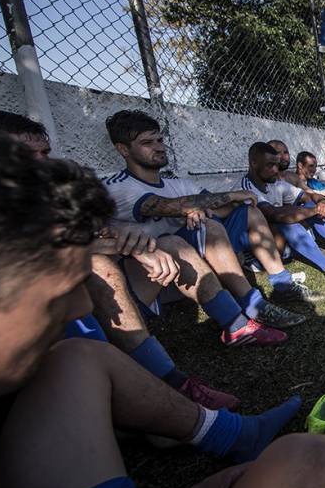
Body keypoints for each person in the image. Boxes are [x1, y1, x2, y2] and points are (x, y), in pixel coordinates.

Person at [0, 129, 325, 488]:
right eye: (58, 293)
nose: (80, 306)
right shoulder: (125, 192)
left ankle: (233, 428)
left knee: (77, 356)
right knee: (312, 460)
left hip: (174, 257)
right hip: (165, 270)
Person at [0, 109, 239, 408]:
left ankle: (238, 323)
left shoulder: (42, 199)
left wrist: (122, 240)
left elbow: (88, 235)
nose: (43, 163)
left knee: (170, 242)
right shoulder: (119, 187)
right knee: (100, 267)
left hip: (125, 298)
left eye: (46, 153)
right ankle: (156, 387)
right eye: (28, 155)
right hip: (38, 341)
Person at [102, 110, 307, 345]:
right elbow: (163, 206)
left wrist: (203, 208)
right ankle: (253, 306)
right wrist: (208, 203)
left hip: (194, 270)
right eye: (147, 143)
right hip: (155, 278)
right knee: (206, 226)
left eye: (159, 140)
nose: (159, 147)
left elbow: (224, 206)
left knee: (248, 211)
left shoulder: (176, 183)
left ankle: (281, 283)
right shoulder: (118, 186)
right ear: (123, 149)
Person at [237, 142, 325, 284]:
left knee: (310, 206)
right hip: (263, 251)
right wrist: (314, 210)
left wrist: (322, 203)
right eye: (270, 165)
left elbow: (308, 196)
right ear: (253, 163)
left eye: (276, 165)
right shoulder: (246, 188)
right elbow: (274, 214)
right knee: (288, 220)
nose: (275, 170)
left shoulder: (273, 183)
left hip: (283, 242)